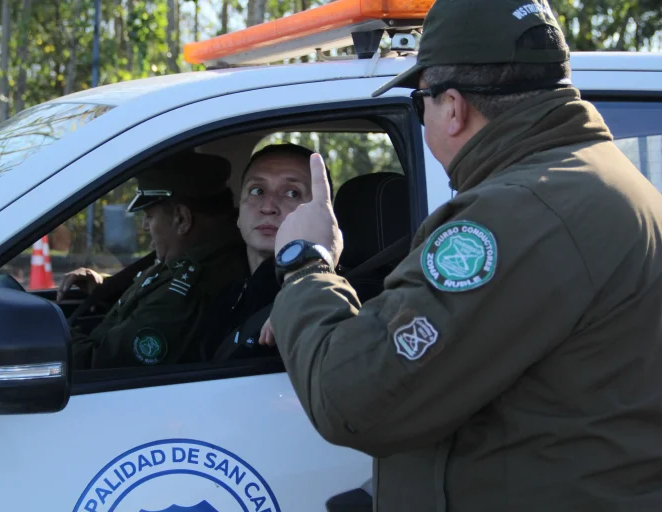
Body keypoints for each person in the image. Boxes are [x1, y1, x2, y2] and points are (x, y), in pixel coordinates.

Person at [260, 1, 662, 510]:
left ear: (452, 107)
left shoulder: (517, 217)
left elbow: (353, 398)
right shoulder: (603, 179)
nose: (424, 117)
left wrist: (305, 262)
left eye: (419, 101)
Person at [67, 151, 249, 370]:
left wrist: (52, 333)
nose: (144, 226)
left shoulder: (193, 287)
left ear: (182, 219)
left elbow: (98, 364)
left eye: (149, 216)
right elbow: (153, 288)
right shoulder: (192, 258)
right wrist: (104, 287)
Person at [201, 143, 333, 361]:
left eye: (292, 193)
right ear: (238, 213)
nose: (268, 206)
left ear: (322, 216)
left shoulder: (327, 302)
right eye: (257, 191)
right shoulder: (221, 292)